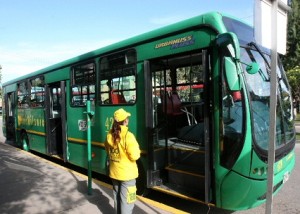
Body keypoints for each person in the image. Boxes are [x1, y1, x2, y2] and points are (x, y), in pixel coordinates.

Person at [105, 108, 141, 214]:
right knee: (127, 203)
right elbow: (135, 156)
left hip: (115, 173)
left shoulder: (109, 135)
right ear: (124, 121)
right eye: (127, 118)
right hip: (127, 175)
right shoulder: (128, 136)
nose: (128, 120)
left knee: (117, 199)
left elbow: (108, 150)